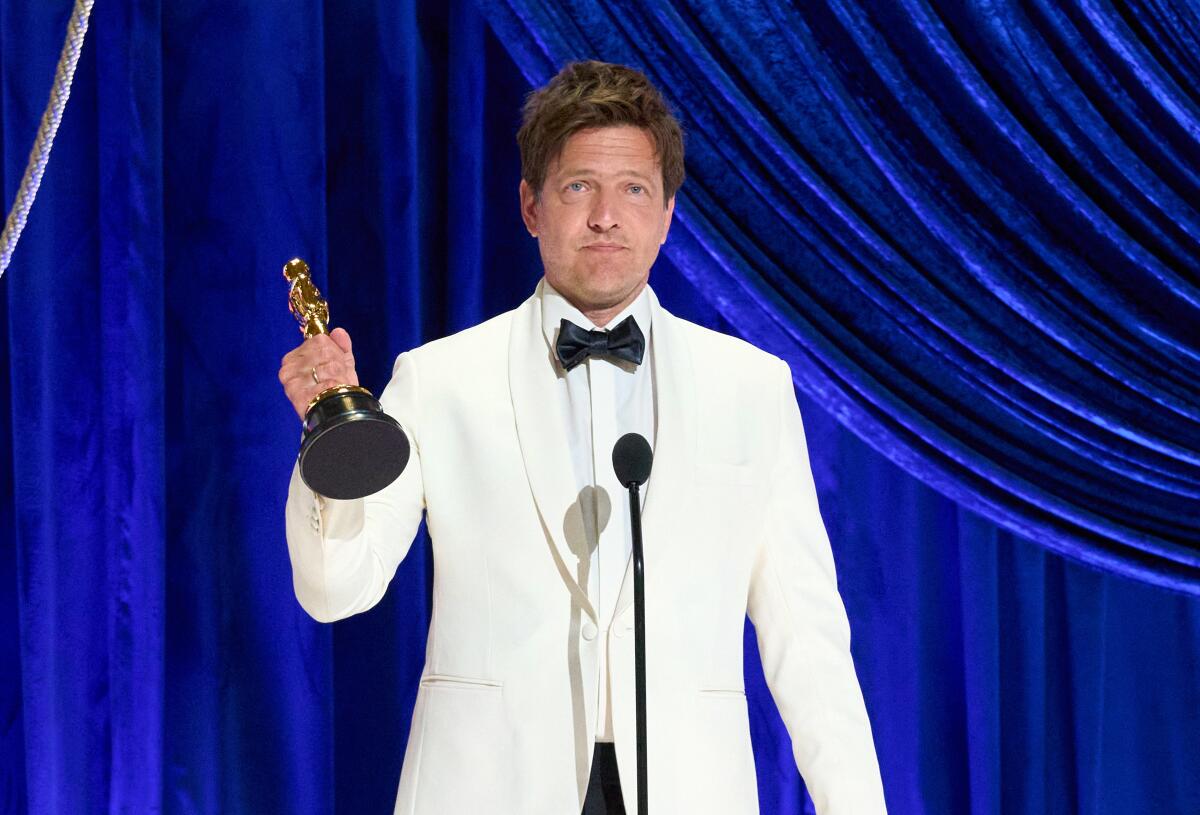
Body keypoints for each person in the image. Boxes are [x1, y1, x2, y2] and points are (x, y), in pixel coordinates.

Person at [279, 60, 886, 815]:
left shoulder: (752, 389)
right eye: (578, 188)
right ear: (531, 206)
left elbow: (810, 643)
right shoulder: (439, 381)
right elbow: (338, 589)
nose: (606, 216)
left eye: (633, 189)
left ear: (667, 214)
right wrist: (329, 437)